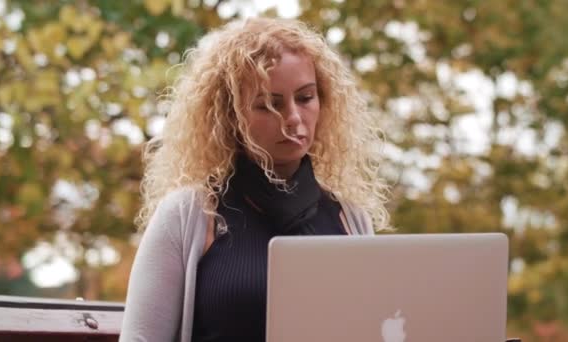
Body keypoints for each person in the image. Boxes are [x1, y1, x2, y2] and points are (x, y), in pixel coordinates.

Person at [120, 17, 390, 342]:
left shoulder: (352, 218)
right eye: (268, 105)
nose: (292, 118)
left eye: (305, 98)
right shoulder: (186, 214)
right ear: (231, 116)